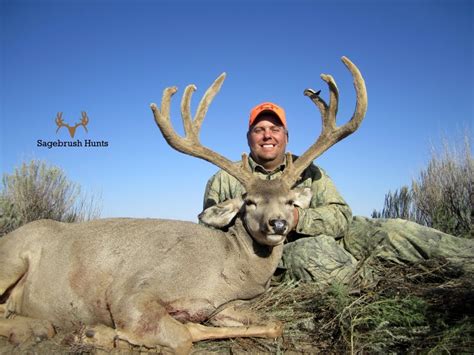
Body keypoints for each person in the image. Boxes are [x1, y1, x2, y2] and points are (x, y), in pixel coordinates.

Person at [200, 102, 474, 285]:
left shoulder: (308, 170)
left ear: (286, 135)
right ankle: (383, 281)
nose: (267, 135)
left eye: (275, 129)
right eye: (259, 130)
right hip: (272, 255)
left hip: (327, 235)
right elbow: (210, 236)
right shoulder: (226, 179)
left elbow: (341, 216)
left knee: (395, 230)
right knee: (313, 252)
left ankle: (467, 256)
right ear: (249, 137)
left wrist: (297, 218)